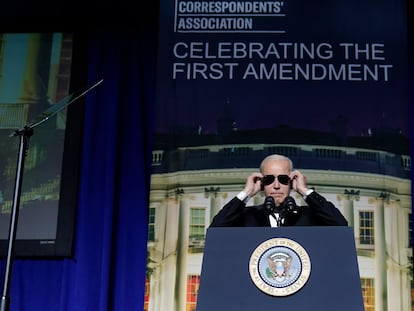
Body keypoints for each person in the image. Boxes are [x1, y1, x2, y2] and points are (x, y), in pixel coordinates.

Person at [210, 154, 348, 227]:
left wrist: (304, 190)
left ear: (292, 181)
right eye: (269, 179)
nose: (276, 185)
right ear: (262, 183)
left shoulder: (308, 216)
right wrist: (246, 193)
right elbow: (216, 228)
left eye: (283, 179)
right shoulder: (247, 216)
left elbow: (340, 224)